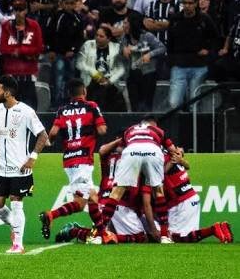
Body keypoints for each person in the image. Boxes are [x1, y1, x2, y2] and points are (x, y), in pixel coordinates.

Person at [39, 78, 107, 240]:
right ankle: (102, 234)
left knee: (82, 202)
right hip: (83, 158)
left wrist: (59, 141)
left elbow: (53, 134)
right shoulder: (91, 106)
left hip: (69, 160)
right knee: (92, 197)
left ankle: (52, 215)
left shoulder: (62, 110)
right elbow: (102, 130)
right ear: (84, 92)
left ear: (69, 95)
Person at [0, 75, 49, 254]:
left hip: (20, 167)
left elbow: (43, 135)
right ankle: (15, 227)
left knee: (16, 204)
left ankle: (18, 244)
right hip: (0, 167)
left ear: (7, 92)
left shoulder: (26, 111)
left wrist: (32, 158)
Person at [93, 116, 176, 244]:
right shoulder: (159, 131)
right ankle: (165, 236)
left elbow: (121, 149)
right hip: (153, 151)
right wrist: (176, 155)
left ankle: (100, 235)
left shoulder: (130, 130)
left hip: (132, 151)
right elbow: (172, 151)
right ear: (152, 125)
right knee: (158, 192)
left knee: (116, 192)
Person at [158, 147, 233, 243]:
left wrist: (179, 160)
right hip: (190, 197)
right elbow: (185, 161)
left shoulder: (160, 158)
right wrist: (180, 159)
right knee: (188, 236)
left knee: (174, 238)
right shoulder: (170, 153)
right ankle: (218, 228)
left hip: (181, 201)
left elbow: (159, 176)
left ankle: (213, 229)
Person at [167, 0, 218, 109]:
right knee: (174, 103)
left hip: (199, 65)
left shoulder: (204, 19)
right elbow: (169, 43)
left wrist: (208, 51)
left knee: (194, 104)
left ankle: (194, 128)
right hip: (179, 65)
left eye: (190, 3)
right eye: (185, 3)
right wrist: (171, 61)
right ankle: (177, 127)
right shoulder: (175, 19)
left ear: (195, 4)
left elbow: (216, 39)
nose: (187, 6)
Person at [0, 0, 43, 110]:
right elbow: (3, 48)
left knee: (30, 108)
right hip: (11, 74)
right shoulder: (6, 26)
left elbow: (39, 47)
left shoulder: (34, 25)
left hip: (29, 74)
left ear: (26, 10)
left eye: (21, 10)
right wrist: (26, 52)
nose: (18, 13)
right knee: (10, 109)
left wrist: (19, 51)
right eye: (16, 10)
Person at [45, 0, 86, 107]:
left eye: (72, 3)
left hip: (72, 54)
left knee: (72, 78)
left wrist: (73, 50)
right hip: (58, 54)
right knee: (58, 79)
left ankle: (73, 102)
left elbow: (80, 38)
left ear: (75, 4)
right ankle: (57, 104)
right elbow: (50, 34)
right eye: (66, 3)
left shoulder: (78, 18)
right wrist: (51, 50)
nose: (69, 6)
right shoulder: (56, 16)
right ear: (62, 4)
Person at [122, 13, 166, 112]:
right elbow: (121, 54)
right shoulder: (125, 38)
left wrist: (149, 54)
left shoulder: (147, 36)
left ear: (132, 24)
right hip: (132, 74)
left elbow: (162, 48)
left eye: (125, 23)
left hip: (147, 73)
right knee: (134, 104)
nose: (123, 26)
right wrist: (123, 49)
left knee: (145, 105)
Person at [76, 26, 126, 112]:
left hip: (110, 82)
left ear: (108, 38)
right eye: (97, 35)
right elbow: (79, 63)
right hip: (91, 81)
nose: (98, 38)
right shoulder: (88, 44)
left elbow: (121, 68)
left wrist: (110, 80)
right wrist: (95, 74)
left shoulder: (116, 48)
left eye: (101, 36)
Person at [143, 0, 181, 80]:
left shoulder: (178, 5)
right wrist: (167, 23)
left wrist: (156, 23)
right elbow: (148, 25)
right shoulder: (152, 5)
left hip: (172, 51)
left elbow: (177, 26)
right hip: (154, 51)